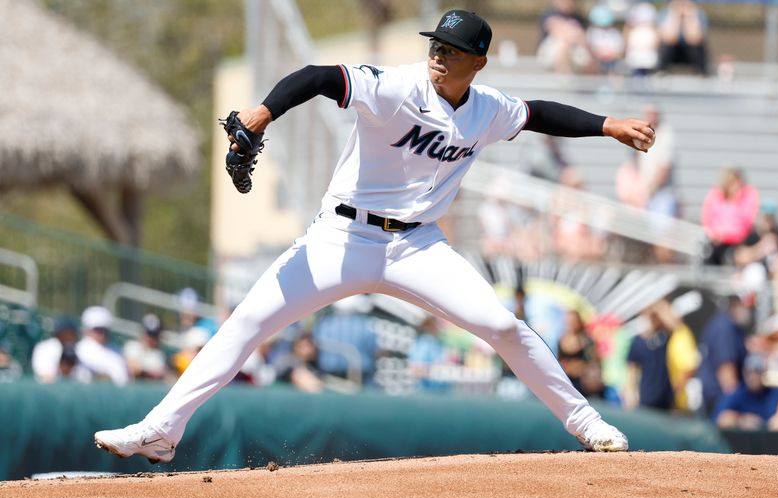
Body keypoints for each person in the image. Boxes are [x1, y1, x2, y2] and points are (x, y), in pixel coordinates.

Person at [95, 9, 657, 463]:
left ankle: (586, 423)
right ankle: (160, 430)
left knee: (501, 324)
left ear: (478, 62)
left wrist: (606, 125)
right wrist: (263, 113)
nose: (438, 54)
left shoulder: (486, 110)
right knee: (247, 321)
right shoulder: (395, 86)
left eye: (451, 50)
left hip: (418, 246)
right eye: (435, 44)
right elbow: (318, 78)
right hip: (341, 237)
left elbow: (538, 113)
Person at [697, 295, 750, 416]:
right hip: (720, 400)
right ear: (735, 306)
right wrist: (737, 406)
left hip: (718, 398)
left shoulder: (729, 326)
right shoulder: (724, 328)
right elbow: (726, 373)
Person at [715, 355, 778, 431]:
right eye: (749, 372)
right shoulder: (737, 394)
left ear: (763, 373)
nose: (753, 376)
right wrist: (741, 420)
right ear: (744, 373)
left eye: (757, 371)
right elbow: (720, 419)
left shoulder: (773, 393)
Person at [701, 167, 760, 266]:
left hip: (737, 243)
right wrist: (714, 234)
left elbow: (746, 223)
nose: (735, 186)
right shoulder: (715, 196)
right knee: (708, 255)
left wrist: (737, 198)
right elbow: (707, 219)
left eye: (737, 182)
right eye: (731, 182)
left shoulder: (747, 197)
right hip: (716, 242)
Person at [74, 306, 129, 386]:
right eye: (97, 329)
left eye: (104, 330)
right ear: (87, 329)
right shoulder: (80, 349)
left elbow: (123, 379)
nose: (102, 333)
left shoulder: (116, 350)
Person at [657, 0, 709, 75]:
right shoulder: (665, 13)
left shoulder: (698, 13)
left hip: (690, 53)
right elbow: (668, 39)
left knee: (697, 48)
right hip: (673, 53)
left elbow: (695, 39)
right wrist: (675, 16)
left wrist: (690, 17)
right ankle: (661, 72)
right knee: (665, 47)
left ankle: (702, 74)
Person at [31, 316, 79, 383]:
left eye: (72, 333)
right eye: (65, 333)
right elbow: (45, 376)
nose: (69, 336)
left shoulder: (79, 349)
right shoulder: (46, 348)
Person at [123, 314, 168, 381]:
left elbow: (161, 375)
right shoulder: (131, 346)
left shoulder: (159, 355)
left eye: (154, 335)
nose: (150, 338)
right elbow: (134, 370)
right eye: (148, 333)